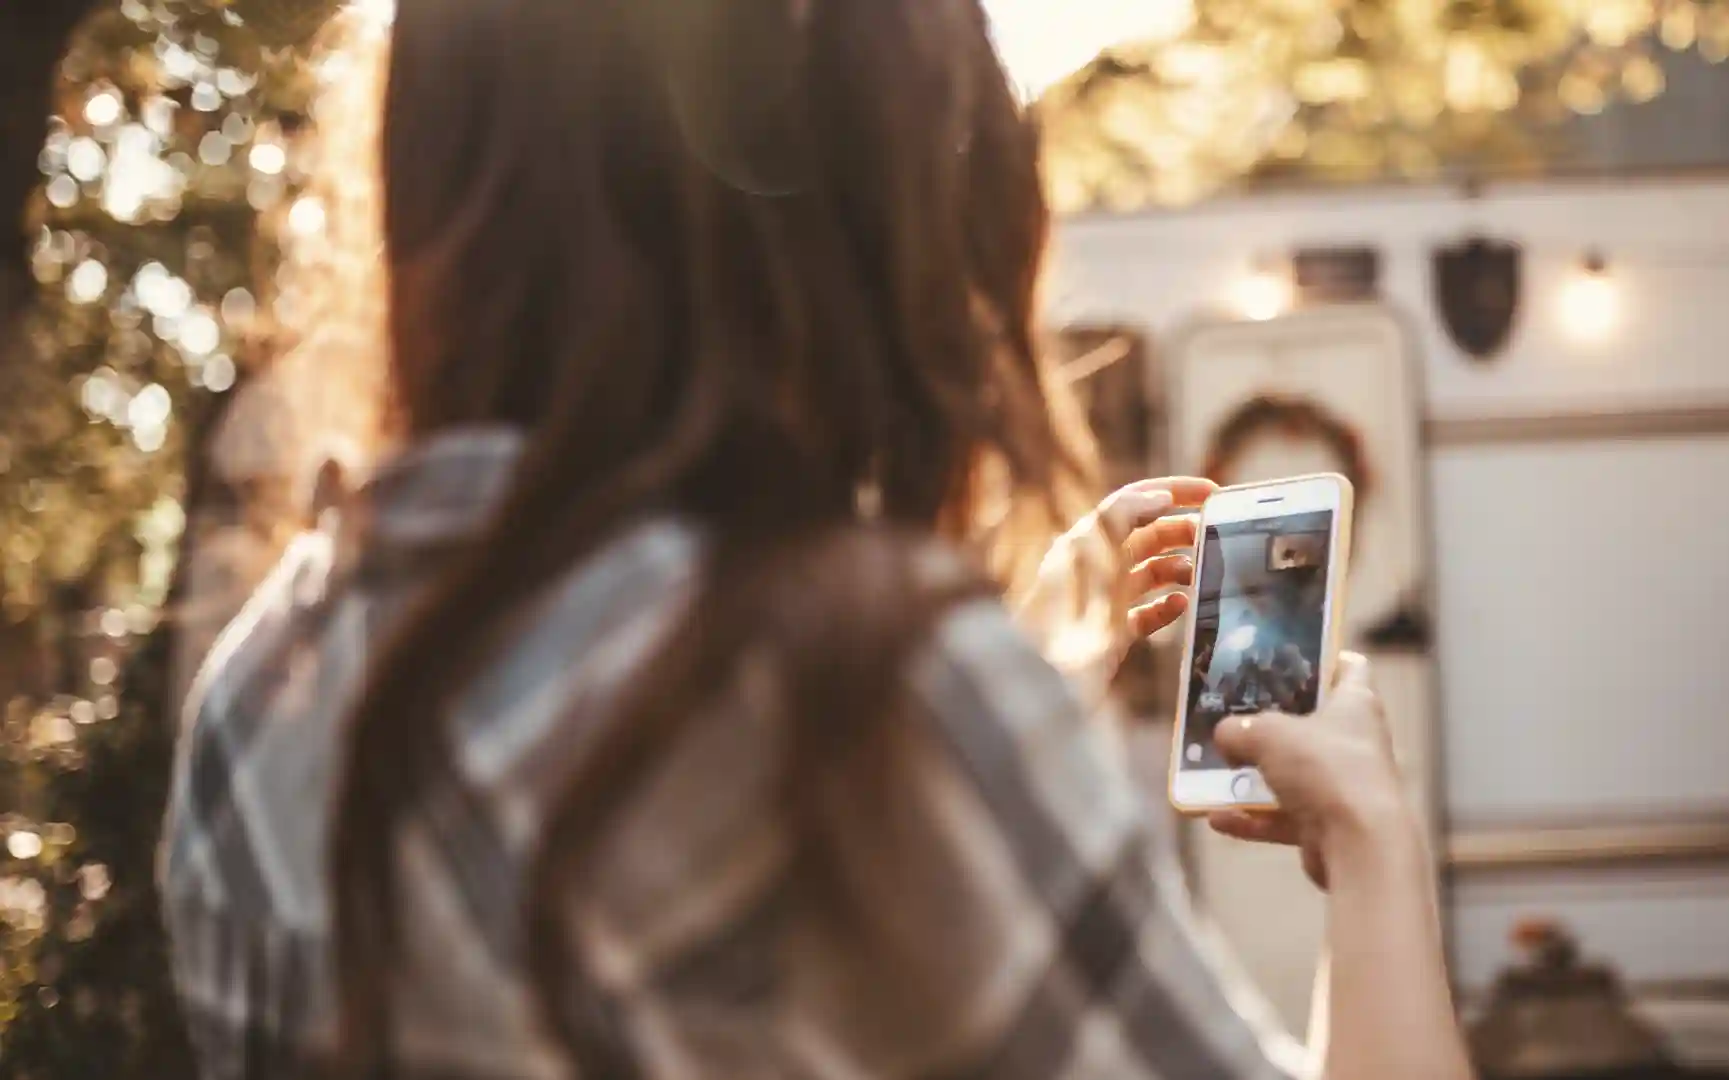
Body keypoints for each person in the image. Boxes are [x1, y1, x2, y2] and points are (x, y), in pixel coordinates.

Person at [158, 1, 1472, 1079]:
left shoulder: (273, 681)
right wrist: (1365, 835)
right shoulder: (865, 703)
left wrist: (1030, 636)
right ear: (871, 201)